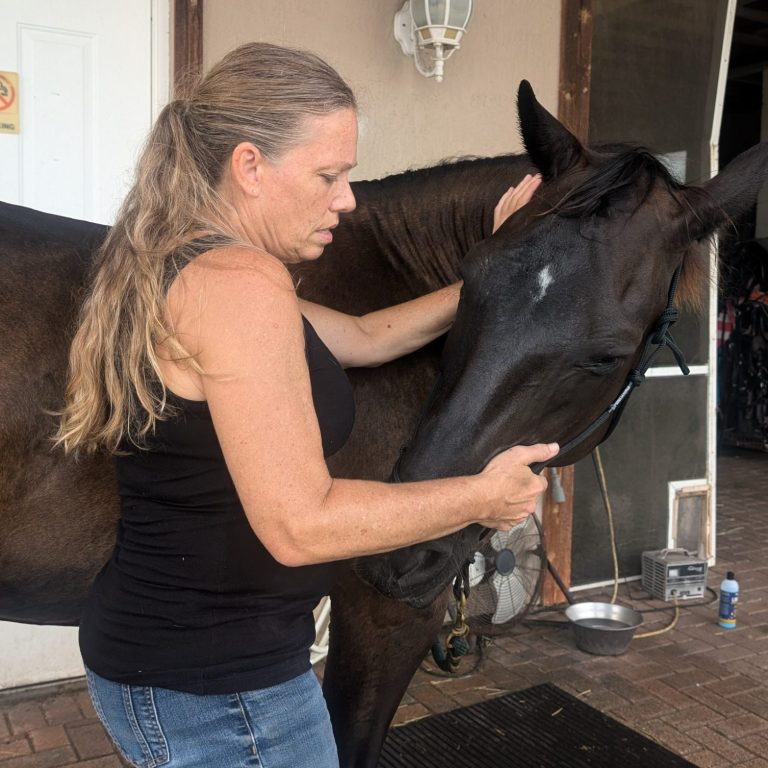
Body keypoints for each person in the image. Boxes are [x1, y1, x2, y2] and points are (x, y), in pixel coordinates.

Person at [56, 42, 554, 768]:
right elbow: (299, 524)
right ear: (251, 166)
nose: (347, 199)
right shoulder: (238, 283)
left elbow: (364, 337)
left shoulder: (185, 260)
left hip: (173, 663)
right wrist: (482, 497)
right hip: (222, 693)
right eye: (329, 174)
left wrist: (490, 265)